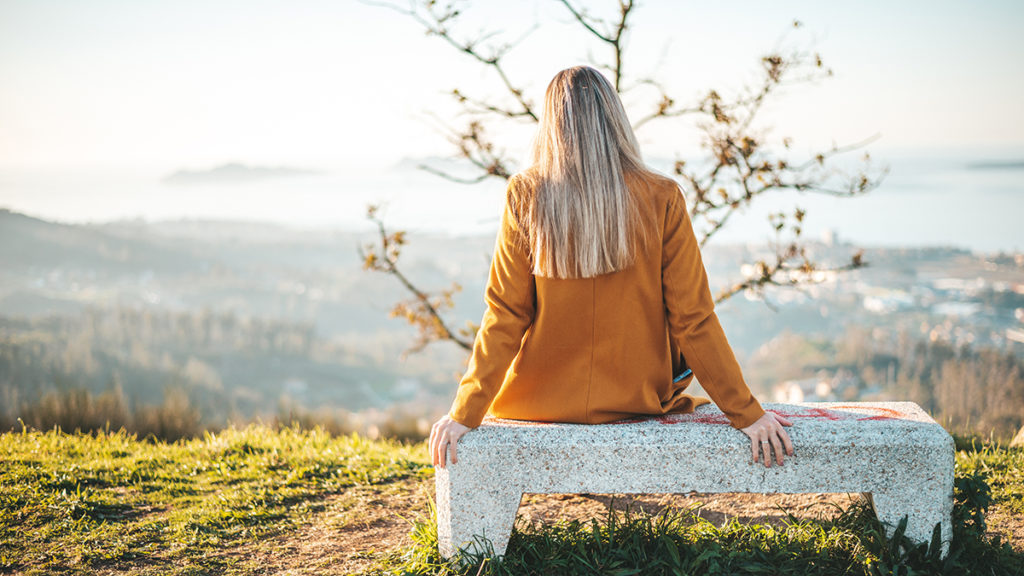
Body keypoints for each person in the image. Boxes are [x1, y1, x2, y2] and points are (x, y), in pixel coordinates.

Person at [429, 65, 793, 470]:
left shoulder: (526, 195)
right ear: (615, 118)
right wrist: (747, 412)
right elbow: (692, 318)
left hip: (541, 401)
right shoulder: (662, 196)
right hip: (634, 399)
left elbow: (506, 314)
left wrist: (465, 411)